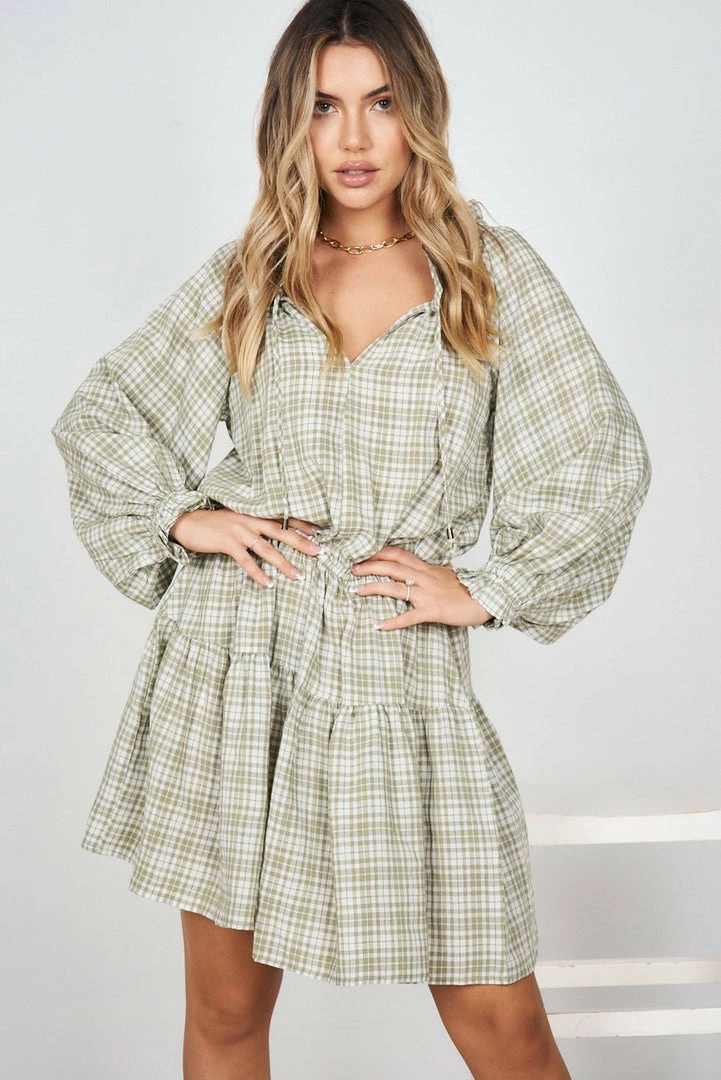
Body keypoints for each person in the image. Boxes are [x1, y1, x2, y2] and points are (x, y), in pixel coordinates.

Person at [50, 1, 652, 1077]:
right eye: (324, 107)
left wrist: (487, 587)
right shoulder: (252, 272)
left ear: (420, 111)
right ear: (290, 121)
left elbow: (597, 455)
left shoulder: (488, 272)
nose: (355, 137)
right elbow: (107, 414)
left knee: (505, 1029)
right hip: (238, 669)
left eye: (381, 103)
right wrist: (184, 517)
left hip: (393, 672)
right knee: (226, 1014)